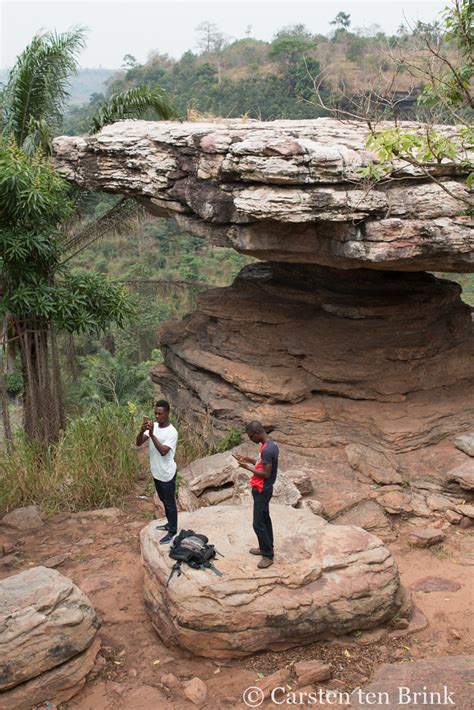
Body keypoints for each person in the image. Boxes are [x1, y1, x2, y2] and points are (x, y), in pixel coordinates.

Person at [233, 421, 279, 569]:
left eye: (250, 436)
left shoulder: (267, 450)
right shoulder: (270, 445)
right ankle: (266, 546)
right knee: (265, 519)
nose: (250, 439)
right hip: (264, 488)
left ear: (257, 433)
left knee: (258, 524)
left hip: (262, 489)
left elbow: (266, 473)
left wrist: (247, 467)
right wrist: (249, 460)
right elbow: (263, 464)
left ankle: (268, 556)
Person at [136, 400, 178, 544]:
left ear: (167, 413)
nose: (157, 416)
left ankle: (173, 530)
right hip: (157, 472)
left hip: (167, 473)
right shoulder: (153, 427)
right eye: (155, 413)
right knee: (163, 499)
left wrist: (153, 435)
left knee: (170, 502)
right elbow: (138, 442)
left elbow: (163, 452)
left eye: (160, 413)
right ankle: (169, 523)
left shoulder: (172, 432)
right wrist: (142, 430)